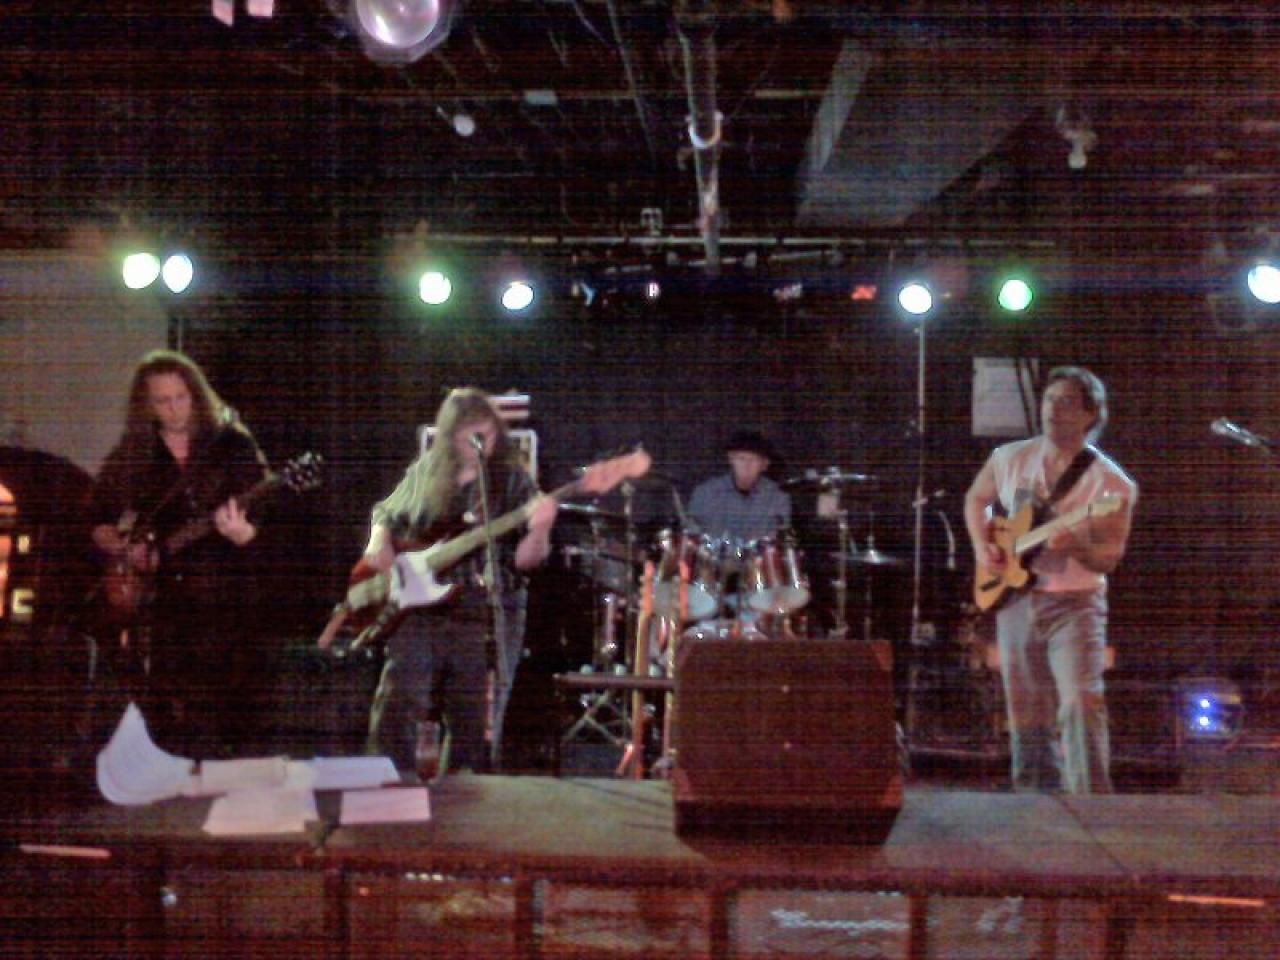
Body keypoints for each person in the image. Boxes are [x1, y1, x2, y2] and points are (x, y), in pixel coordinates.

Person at [362, 387, 557, 778]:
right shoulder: (426, 471)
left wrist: (541, 529)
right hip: (421, 606)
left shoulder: (513, 482)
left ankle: (464, 796)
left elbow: (526, 561)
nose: (479, 445)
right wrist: (378, 541)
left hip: (481, 611)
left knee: (473, 716)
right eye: (470, 437)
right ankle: (387, 784)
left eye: (486, 435)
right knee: (401, 695)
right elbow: (386, 513)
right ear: (451, 436)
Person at [964, 366, 1137, 794]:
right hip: (1016, 600)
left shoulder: (1112, 483)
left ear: (1090, 414)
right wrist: (982, 545)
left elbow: (1109, 558)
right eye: (1049, 399)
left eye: (1066, 402)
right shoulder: (1010, 457)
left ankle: (1091, 805)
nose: (1052, 409)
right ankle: (1034, 804)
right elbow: (976, 498)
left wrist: (1076, 544)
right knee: (1025, 710)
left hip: (1075, 604)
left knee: (1080, 702)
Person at [88, 349, 268, 759]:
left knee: (219, 713)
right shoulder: (136, 452)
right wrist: (115, 542)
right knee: (165, 711)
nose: (174, 409)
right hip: (162, 604)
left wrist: (243, 533)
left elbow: (269, 529)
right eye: (162, 401)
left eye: (181, 398)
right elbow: (97, 513)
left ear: (196, 395)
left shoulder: (231, 446)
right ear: (146, 405)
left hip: (223, 601)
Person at [688, 429, 791, 543]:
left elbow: (781, 540)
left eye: (753, 460)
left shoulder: (778, 499)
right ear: (730, 459)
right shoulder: (705, 494)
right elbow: (692, 539)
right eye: (741, 459)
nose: (746, 465)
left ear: (764, 465)